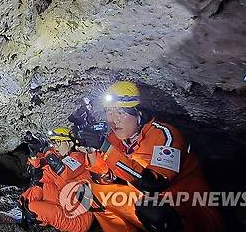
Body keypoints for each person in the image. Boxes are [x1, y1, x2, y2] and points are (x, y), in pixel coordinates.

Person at [80, 81, 223, 232]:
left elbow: (155, 184)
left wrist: (106, 148)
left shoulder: (165, 135)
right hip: (144, 200)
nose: (114, 120)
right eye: (109, 112)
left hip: (189, 212)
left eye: (121, 112)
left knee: (153, 211)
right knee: (87, 193)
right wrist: (91, 151)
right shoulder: (116, 138)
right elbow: (103, 178)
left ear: (137, 111)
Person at [3, 127, 95, 232]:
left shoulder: (79, 157)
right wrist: (34, 155)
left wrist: (44, 150)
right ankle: (22, 211)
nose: (55, 146)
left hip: (79, 219)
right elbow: (35, 173)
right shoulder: (60, 156)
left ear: (70, 143)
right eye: (54, 142)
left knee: (33, 207)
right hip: (64, 205)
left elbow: (62, 170)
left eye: (59, 142)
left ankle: (32, 215)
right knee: (38, 185)